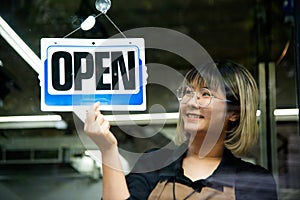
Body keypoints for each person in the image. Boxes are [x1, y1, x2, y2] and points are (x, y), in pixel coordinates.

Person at [84, 60, 278, 200]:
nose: (191, 102)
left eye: (205, 94)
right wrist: (108, 150)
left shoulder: (253, 181)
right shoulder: (154, 163)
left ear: (234, 113)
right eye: (187, 92)